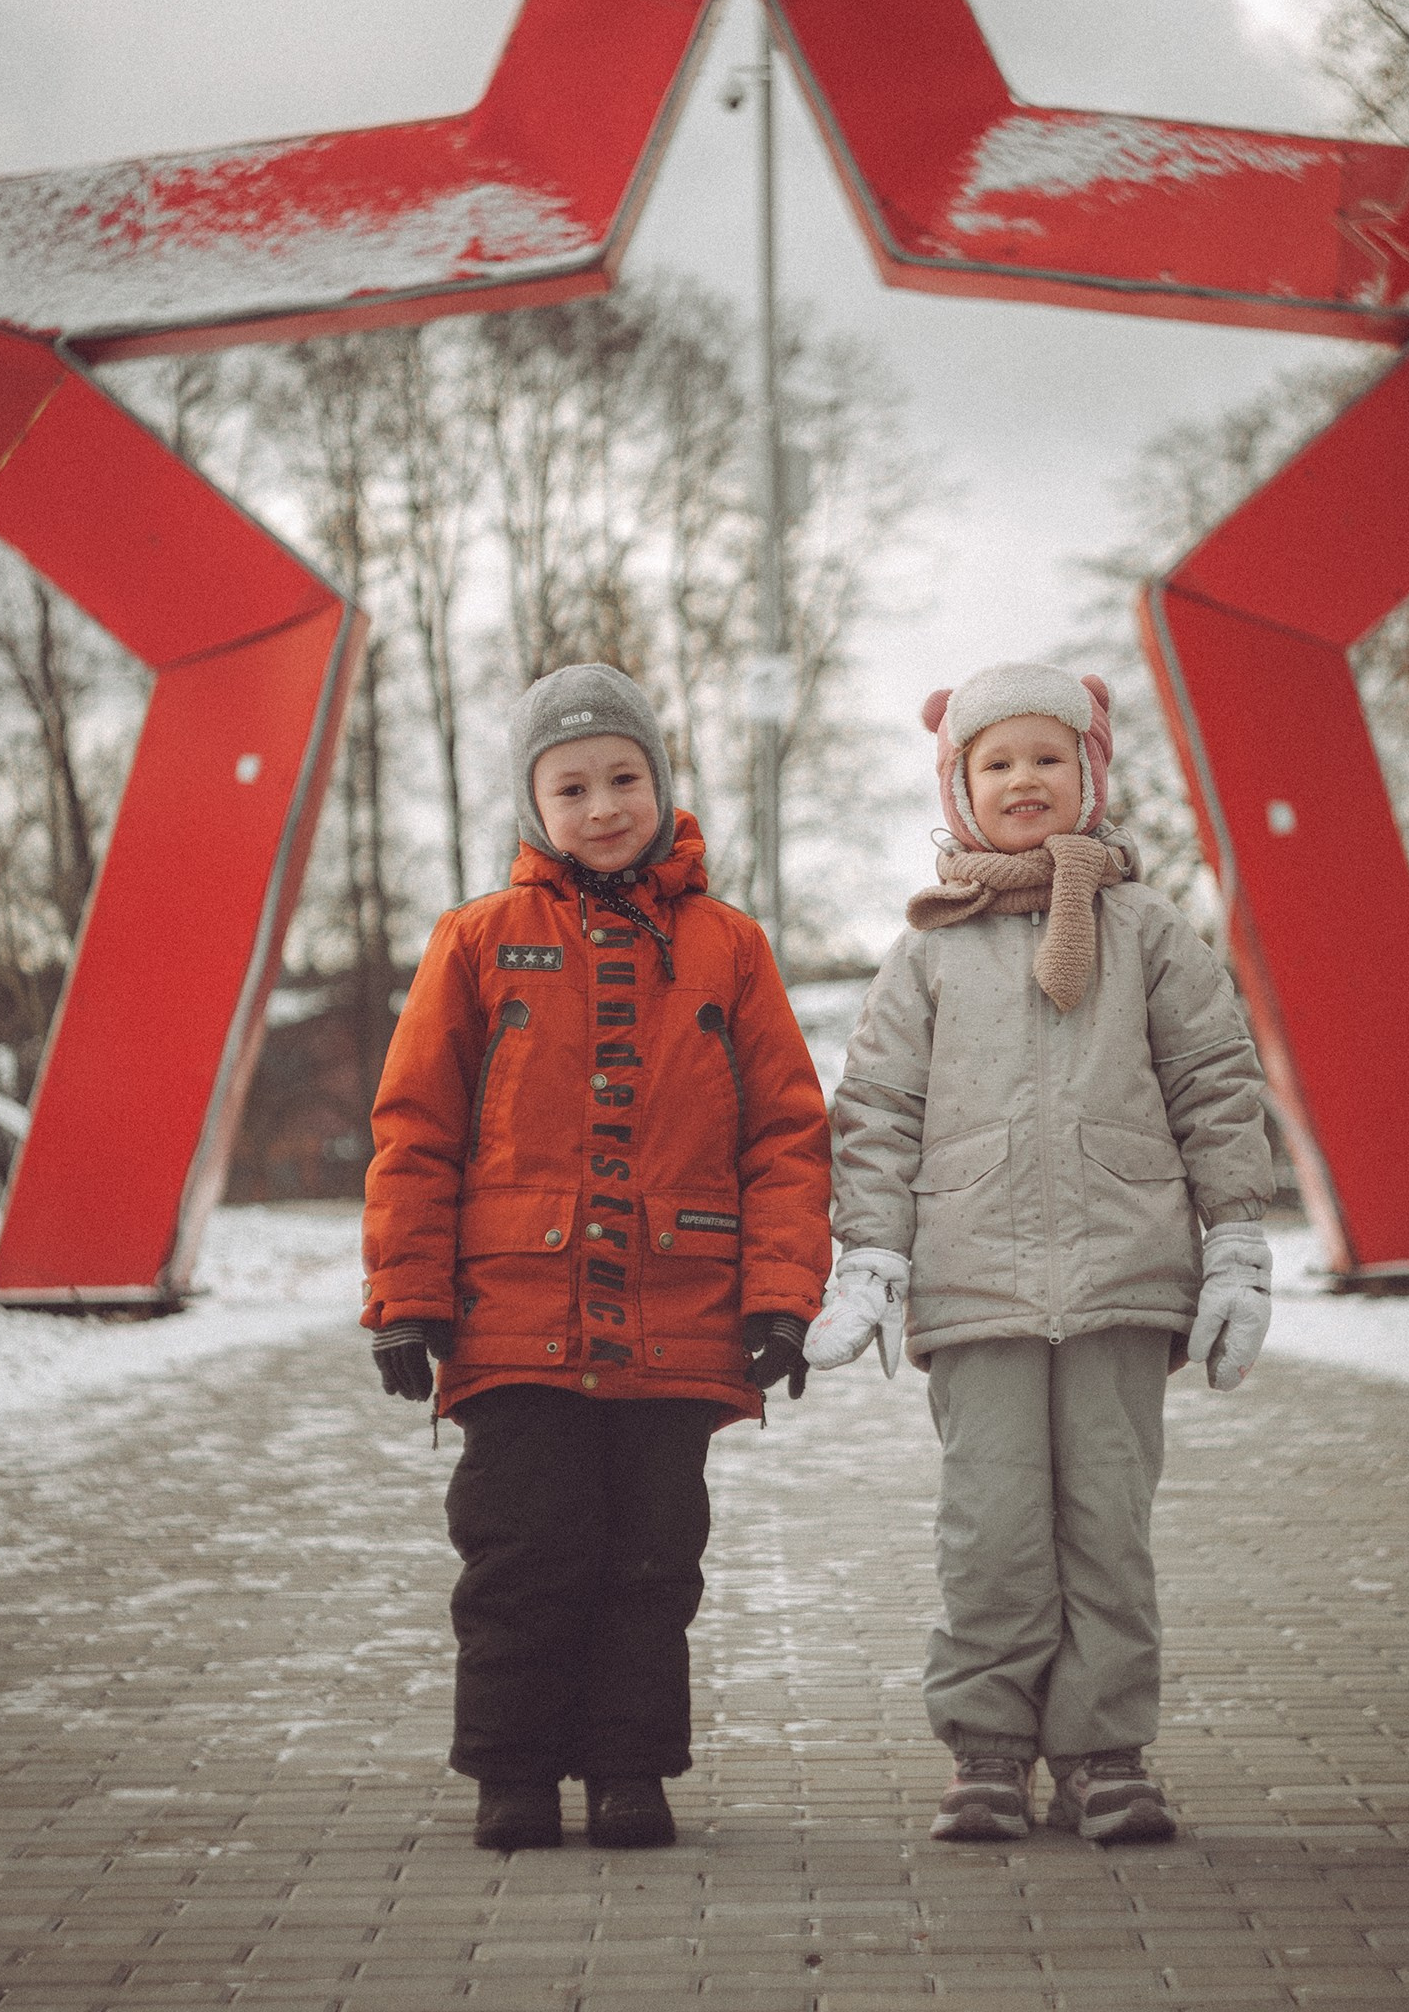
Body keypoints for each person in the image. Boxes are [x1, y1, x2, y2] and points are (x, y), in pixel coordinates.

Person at [362, 662, 831, 1854]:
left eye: (625, 776)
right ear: (533, 805)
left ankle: (629, 1771)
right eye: (571, 785)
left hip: (676, 1325)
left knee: (648, 1561)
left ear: (662, 785)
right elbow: (416, 1128)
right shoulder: (476, 940)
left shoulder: (727, 946)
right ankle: (511, 1774)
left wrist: (780, 1297)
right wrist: (406, 1300)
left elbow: (785, 1133)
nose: (603, 804)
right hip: (510, 1321)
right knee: (521, 1552)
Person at [806, 662, 1273, 1846]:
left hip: (1122, 1278)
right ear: (959, 787)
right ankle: (988, 1749)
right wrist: (871, 1252)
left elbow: (1214, 1085)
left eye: (1047, 758)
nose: (1024, 779)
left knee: (1106, 1528)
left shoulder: (1149, 933)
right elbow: (874, 1108)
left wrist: (1234, 1245)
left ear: (1091, 777)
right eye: (996, 761)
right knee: (991, 1530)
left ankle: (1103, 1752)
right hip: (977, 1290)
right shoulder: (927, 952)